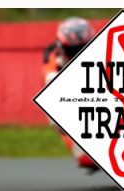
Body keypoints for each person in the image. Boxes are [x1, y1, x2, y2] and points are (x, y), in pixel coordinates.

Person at [43, 17, 97, 170]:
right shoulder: (53, 57)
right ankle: (80, 149)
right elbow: (50, 80)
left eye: (84, 48)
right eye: (73, 50)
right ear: (61, 46)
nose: (79, 53)